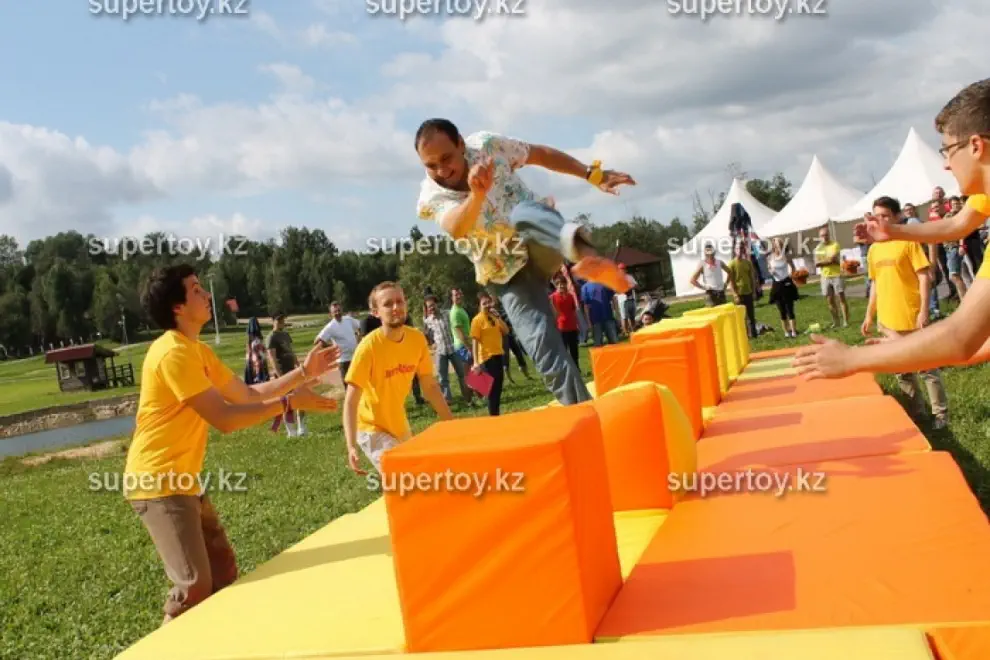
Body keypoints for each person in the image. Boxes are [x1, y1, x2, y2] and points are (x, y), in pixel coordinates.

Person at [124, 264, 340, 624]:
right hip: (157, 482)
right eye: (195, 289)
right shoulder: (171, 353)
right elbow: (224, 417)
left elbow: (246, 394)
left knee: (223, 574)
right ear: (177, 307)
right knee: (194, 587)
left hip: (184, 481)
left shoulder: (196, 351)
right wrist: (288, 403)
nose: (206, 294)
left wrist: (304, 373)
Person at [414, 118, 635, 406]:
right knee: (542, 345)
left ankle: (588, 258)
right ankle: (586, 414)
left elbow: (540, 154)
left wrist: (592, 175)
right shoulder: (431, 195)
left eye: (447, 159)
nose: (442, 171)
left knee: (523, 214)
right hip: (505, 273)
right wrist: (477, 195)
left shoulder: (487, 145)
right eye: (431, 165)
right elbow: (457, 226)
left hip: (539, 238)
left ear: (460, 143)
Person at [793, 78, 990, 381]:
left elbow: (960, 338)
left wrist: (852, 358)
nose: (946, 165)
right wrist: (894, 232)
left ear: (976, 146)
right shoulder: (983, 198)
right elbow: (958, 225)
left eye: (947, 150)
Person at [342, 282, 452, 475]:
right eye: (388, 304)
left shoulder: (417, 340)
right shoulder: (368, 348)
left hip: (399, 424)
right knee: (403, 477)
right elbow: (351, 401)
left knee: (415, 478)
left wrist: (451, 424)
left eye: (400, 301)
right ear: (375, 312)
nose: (396, 308)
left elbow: (430, 386)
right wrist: (351, 446)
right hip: (371, 427)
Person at [860, 196, 949, 428]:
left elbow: (924, 277)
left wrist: (923, 310)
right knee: (902, 371)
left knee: (926, 368)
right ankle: (917, 413)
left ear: (898, 217)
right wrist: (870, 315)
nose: (880, 220)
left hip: (912, 317)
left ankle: (940, 415)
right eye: (876, 216)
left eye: (885, 216)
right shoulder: (873, 250)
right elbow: (876, 285)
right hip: (888, 321)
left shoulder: (909, 242)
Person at [422, 294, 474, 406]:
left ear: (436, 304)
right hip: (441, 352)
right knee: (442, 377)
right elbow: (427, 333)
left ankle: (468, 396)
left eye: (432, 305)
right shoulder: (428, 321)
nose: (431, 308)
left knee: (462, 374)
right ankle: (447, 399)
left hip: (453, 348)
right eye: (429, 307)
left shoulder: (448, 314)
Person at [266, 315, 307, 437]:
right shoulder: (271, 337)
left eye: (282, 320)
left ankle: (302, 427)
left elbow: (291, 351)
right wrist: (279, 375)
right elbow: (271, 357)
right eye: (278, 320)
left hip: (293, 371)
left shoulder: (285, 335)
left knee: (300, 398)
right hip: (283, 372)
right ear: (273, 321)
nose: (281, 322)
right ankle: (291, 431)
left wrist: (298, 365)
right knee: (287, 402)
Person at [470, 291, 509, 416]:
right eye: (484, 303)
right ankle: (493, 416)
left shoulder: (494, 317)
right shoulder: (477, 320)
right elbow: (474, 341)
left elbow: (506, 331)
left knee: (498, 387)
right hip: (486, 358)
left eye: (488, 302)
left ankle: (496, 414)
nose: (487, 305)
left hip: (498, 355)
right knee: (491, 389)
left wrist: (498, 318)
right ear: (479, 306)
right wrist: (475, 361)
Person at [314, 301, 363, 387]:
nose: (337, 313)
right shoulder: (330, 327)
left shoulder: (348, 319)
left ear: (342, 310)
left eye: (339, 310)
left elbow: (360, 326)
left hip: (355, 357)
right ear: (331, 314)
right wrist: (332, 347)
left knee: (360, 384)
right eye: (335, 311)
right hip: (343, 361)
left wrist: (359, 338)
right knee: (348, 386)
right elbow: (317, 341)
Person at [814, 225, 849, 328]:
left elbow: (832, 259)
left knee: (841, 298)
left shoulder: (835, 244)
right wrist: (827, 261)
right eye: (822, 235)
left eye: (826, 235)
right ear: (819, 237)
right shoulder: (818, 248)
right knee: (830, 300)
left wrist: (823, 261)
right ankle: (836, 321)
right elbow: (817, 263)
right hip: (825, 276)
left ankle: (845, 321)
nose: (824, 237)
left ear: (829, 235)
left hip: (836, 275)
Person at [767, 238, 799, 337]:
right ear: (773, 247)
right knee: (781, 310)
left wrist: (791, 276)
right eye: (776, 246)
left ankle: (793, 331)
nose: (778, 248)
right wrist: (770, 271)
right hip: (777, 285)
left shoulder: (786, 256)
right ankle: (786, 332)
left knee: (790, 308)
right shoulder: (770, 257)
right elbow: (769, 268)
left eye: (780, 245)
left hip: (786, 283)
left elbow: (793, 267)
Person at [726, 241, 758, 338]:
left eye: (741, 248)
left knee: (751, 316)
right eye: (737, 248)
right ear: (734, 250)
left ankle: (754, 334)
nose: (739, 250)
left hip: (748, 292)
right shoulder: (731, 264)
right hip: (739, 294)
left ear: (743, 250)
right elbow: (731, 281)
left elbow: (752, 278)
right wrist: (735, 294)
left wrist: (754, 291)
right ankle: (744, 335)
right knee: (741, 317)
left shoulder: (748, 263)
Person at [550, 275, 581, 368]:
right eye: (558, 284)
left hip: (572, 326)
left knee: (574, 350)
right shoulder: (552, 297)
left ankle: (576, 368)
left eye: (563, 284)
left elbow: (573, 311)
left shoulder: (570, 296)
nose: (561, 286)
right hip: (560, 328)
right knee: (563, 351)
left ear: (566, 284)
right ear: (555, 286)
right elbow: (552, 313)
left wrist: (578, 324)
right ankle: (566, 369)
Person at [580, 279, 619, 346]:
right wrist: (589, 322)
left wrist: (617, 314)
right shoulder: (585, 287)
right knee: (598, 345)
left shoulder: (606, 283)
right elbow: (586, 306)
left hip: (608, 317)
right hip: (595, 320)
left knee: (614, 343)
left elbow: (613, 298)